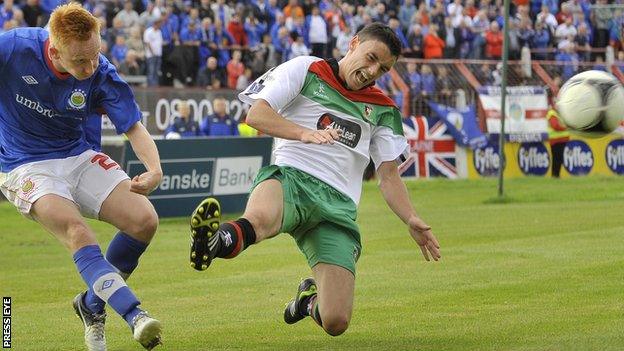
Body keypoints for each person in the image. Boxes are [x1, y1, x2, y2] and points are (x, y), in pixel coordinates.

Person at [188, 22, 440, 336]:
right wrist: (304, 133)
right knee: (259, 220)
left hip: (337, 209)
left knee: (336, 321)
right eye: (371, 57)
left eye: (384, 68)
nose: (374, 70)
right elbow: (256, 114)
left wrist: (411, 218)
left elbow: (388, 177)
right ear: (354, 43)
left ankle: (307, 302)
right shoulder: (308, 69)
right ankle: (212, 242)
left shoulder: (383, 109)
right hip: (292, 178)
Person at [0, 3, 163, 350]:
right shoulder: (14, 48)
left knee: (145, 219)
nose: (90, 68)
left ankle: (90, 305)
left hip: (77, 153)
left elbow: (133, 126)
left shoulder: (100, 70)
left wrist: (154, 169)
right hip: (25, 164)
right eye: (80, 62)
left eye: (95, 55)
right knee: (77, 231)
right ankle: (134, 314)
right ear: (54, 49)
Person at [547, 102, 569, 178]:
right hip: (556, 140)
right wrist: (566, 127)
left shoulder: (559, 113)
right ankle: (555, 175)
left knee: (558, 159)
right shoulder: (552, 113)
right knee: (557, 159)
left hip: (561, 140)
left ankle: (556, 175)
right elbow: (555, 126)